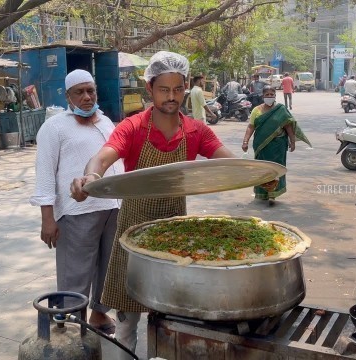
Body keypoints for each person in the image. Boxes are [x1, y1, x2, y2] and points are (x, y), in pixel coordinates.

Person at [70, 51, 235, 354]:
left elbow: (229, 163)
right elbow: (104, 156)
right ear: (150, 89)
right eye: (164, 89)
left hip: (176, 234)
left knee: (174, 321)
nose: (171, 97)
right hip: (132, 235)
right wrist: (90, 176)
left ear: (186, 87)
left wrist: (259, 174)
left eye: (178, 89)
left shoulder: (196, 130)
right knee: (126, 324)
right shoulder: (133, 127)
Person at [30, 69, 123, 335]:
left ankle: (98, 315)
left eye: (90, 90)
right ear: (68, 96)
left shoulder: (106, 122)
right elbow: (45, 174)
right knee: (76, 270)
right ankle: (68, 320)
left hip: (112, 208)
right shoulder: (55, 127)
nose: (86, 97)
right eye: (79, 92)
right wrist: (47, 219)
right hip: (76, 211)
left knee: (108, 267)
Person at [241, 86, 311, 206]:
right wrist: (245, 141)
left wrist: (292, 141)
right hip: (261, 146)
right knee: (262, 168)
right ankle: (262, 192)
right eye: (267, 94)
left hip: (278, 146)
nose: (269, 96)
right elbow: (251, 126)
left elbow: (288, 126)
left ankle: (273, 194)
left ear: (275, 95)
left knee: (276, 169)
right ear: (263, 96)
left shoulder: (281, 110)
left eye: (271, 94)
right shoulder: (256, 110)